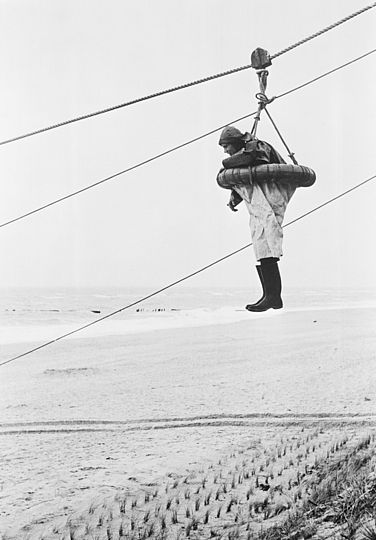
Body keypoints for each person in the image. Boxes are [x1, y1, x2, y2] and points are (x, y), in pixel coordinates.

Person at [218, 126, 296, 312]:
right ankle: (271, 295)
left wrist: (226, 163)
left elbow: (253, 160)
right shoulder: (249, 150)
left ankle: (272, 295)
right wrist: (235, 196)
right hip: (262, 193)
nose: (226, 151)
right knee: (261, 241)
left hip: (273, 191)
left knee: (268, 237)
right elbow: (249, 176)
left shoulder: (257, 146)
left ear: (237, 142)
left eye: (227, 146)